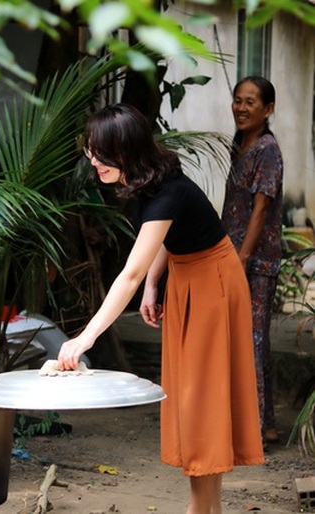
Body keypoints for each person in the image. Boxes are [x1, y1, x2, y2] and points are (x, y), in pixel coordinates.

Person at [43, 103, 264, 514]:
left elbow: (128, 271)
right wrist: (153, 283)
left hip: (212, 282)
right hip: (186, 275)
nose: (93, 161)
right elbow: (163, 241)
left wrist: (86, 336)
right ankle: (207, 509)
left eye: (100, 152)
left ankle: (200, 509)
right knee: (191, 396)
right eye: (90, 151)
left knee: (202, 399)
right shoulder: (150, 179)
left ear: (125, 150)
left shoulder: (165, 190)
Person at [220, 76, 284, 446]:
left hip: (255, 263)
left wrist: (241, 258)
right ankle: (267, 423)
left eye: (250, 102)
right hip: (235, 256)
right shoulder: (240, 144)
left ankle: (255, 429)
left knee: (253, 340)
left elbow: (261, 208)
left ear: (268, 109)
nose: (241, 108)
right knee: (249, 340)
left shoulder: (267, 149)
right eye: (237, 100)